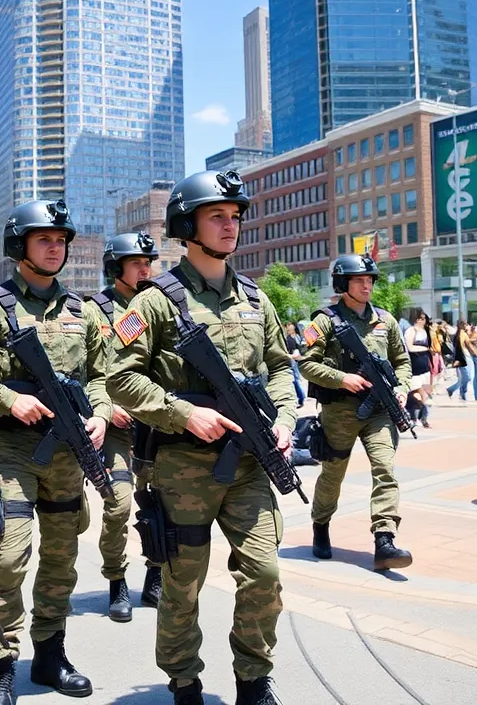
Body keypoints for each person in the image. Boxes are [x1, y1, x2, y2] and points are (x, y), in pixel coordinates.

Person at [107, 169, 296, 705]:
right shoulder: (153, 302)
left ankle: (253, 680)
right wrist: (182, 413)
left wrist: (283, 418)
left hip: (251, 464)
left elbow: (282, 367)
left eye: (235, 217)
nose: (229, 225)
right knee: (182, 583)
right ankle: (184, 679)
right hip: (182, 467)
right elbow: (121, 377)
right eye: (217, 215)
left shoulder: (258, 299)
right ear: (187, 224)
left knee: (264, 572)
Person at [0, 198, 111, 702]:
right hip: (10, 451)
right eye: (44, 238)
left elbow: (103, 377)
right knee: (6, 560)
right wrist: (9, 399)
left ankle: (50, 655)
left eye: (61, 240)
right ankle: (2, 664)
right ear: (19, 245)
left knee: (62, 558)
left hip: (67, 453)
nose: (54, 247)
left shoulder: (82, 311)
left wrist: (101, 417)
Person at [299, 254, 414, 571]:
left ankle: (384, 539)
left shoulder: (385, 321)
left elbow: (403, 362)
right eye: (360, 280)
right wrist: (341, 379)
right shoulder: (323, 321)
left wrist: (402, 388)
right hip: (340, 411)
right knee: (332, 476)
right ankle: (320, 525)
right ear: (342, 283)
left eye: (370, 280)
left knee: (385, 469)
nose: (367, 285)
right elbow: (307, 364)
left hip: (380, 410)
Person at [87, 231, 164, 622]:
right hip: (117, 427)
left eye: (148, 262)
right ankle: (117, 580)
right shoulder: (95, 311)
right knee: (118, 504)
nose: (145, 269)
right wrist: (109, 407)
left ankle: (155, 574)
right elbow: (87, 371)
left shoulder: (163, 305)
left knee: (160, 504)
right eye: (136, 263)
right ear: (116, 267)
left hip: (157, 425)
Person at [404, 312, 434, 428]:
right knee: (416, 392)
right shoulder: (411, 331)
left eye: (424, 319)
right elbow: (409, 347)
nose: (423, 321)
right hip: (414, 368)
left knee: (427, 393)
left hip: (426, 366)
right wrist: (424, 348)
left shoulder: (425, 332)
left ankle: (423, 417)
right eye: (421, 319)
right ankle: (414, 417)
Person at [446, 321, 472, 400]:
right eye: (465, 324)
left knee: (464, 377)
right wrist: (475, 353)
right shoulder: (463, 334)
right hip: (464, 357)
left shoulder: (457, 335)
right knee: (468, 377)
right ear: (461, 325)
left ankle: (461, 393)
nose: (467, 326)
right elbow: (468, 345)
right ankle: (453, 389)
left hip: (460, 357)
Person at [284, 322, 307, 407]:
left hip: (293, 360)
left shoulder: (290, 338)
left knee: (296, 380)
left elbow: (294, 351)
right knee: (296, 380)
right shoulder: (292, 337)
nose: (289, 329)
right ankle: (301, 398)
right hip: (295, 360)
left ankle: (301, 398)